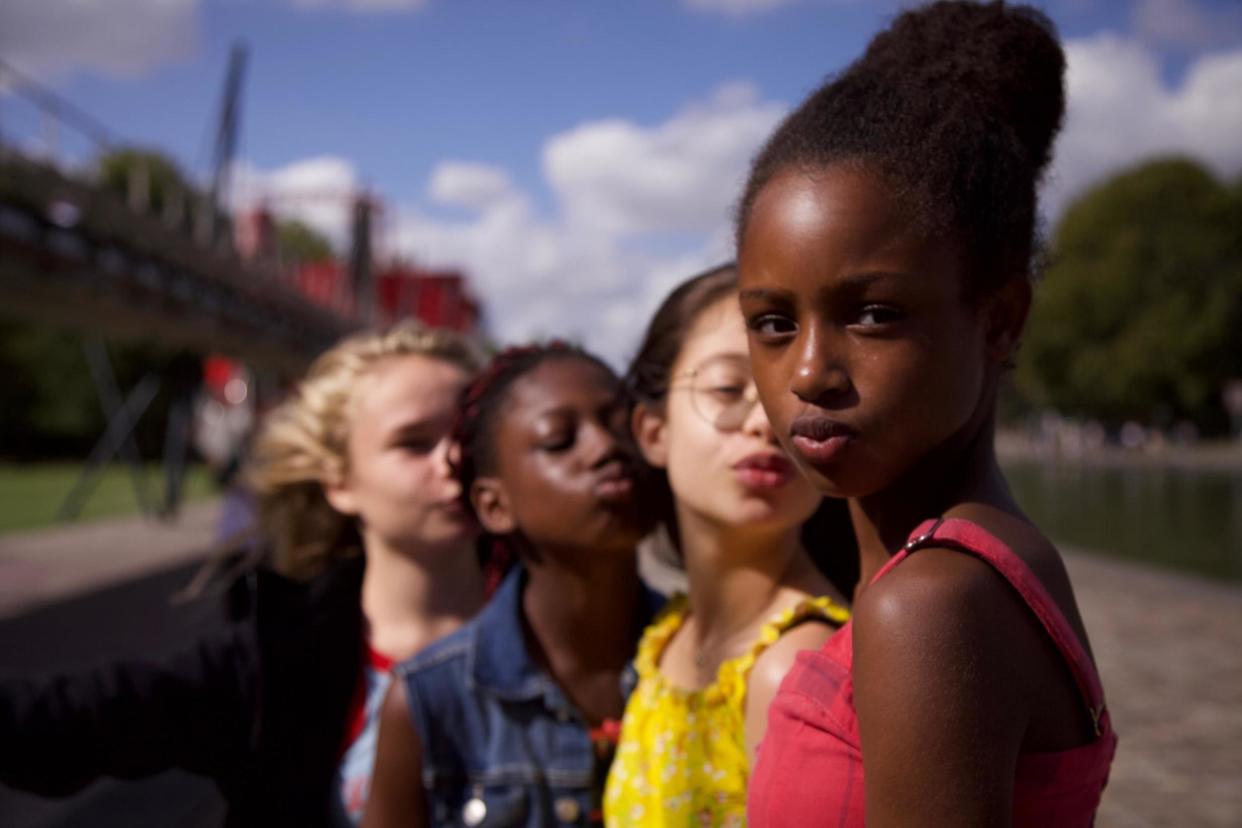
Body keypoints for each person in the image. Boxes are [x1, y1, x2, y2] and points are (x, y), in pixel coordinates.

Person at [736, 3, 1117, 826]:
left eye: (873, 314)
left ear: (1001, 319)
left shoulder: (931, 605)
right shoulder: (976, 562)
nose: (809, 372)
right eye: (773, 322)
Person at [1, 321, 487, 827]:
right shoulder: (276, 660)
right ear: (339, 481)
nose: (453, 460)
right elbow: (75, 719)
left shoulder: (559, 629)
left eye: (467, 436)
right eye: (413, 442)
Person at [363, 343, 661, 828]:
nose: (605, 447)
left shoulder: (709, 666)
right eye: (560, 440)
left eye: (620, 424)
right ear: (494, 506)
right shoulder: (429, 702)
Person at [604, 264, 851, 826]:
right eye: (728, 388)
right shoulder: (668, 633)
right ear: (653, 432)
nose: (766, 423)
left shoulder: (791, 670)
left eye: (792, 394)